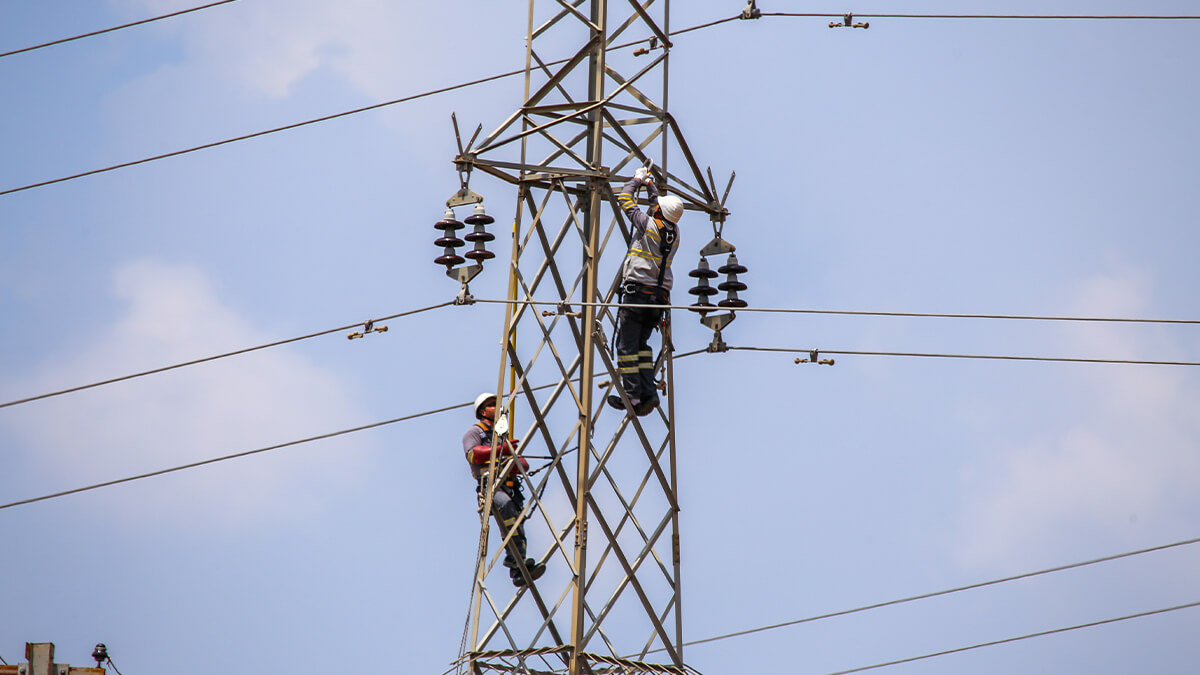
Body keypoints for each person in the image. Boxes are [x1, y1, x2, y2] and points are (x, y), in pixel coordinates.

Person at [609, 164, 685, 416]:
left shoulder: (648, 225)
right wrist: (650, 184)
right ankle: (648, 393)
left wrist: (636, 180)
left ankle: (632, 396)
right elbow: (657, 204)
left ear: (659, 212)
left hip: (638, 294)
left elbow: (624, 199)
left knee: (626, 347)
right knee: (641, 346)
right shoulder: (675, 231)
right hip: (659, 298)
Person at [463, 392, 547, 587]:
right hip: (491, 489)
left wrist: (513, 456)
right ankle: (515, 560)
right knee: (508, 509)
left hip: (509, 488)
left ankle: (519, 569)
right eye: (492, 405)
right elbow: (473, 455)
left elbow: (523, 465)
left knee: (518, 522)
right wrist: (502, 451)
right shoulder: (475, 433)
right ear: (482, 411)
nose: (496, 407)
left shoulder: (501, 437)